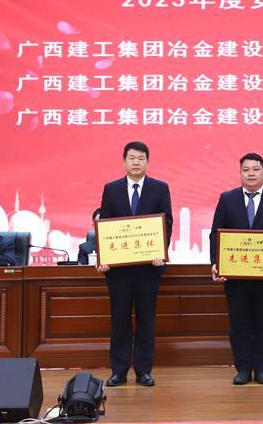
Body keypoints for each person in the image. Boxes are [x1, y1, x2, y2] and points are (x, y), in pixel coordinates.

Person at [209, 153, 263, 385]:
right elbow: (216, 233)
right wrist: (215, 262)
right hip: (235, 276)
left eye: (256, 169)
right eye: (246, 170)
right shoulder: (227, 199)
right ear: (240, 173)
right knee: (239, 323)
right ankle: (243, 369)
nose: (251, 174)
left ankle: (262, 368)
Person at [98, 141, 173, 387]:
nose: (136, 162)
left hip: (148, 268)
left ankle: (143, 371)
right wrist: (104, 257)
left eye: (141, 158)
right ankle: (119, 371)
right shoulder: (111, 189)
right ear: (124, 162)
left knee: (146, 319)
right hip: (119, 270)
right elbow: (105, 225)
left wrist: (160, 251)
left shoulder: (160, 188)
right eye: (132, 158)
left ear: (147, 162)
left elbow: (167, 223)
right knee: (119, 319)